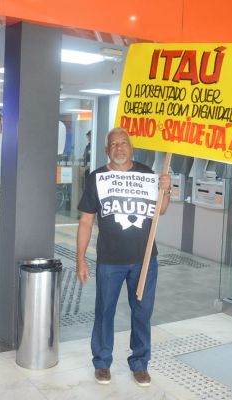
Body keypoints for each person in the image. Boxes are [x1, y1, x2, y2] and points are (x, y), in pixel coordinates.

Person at [76, 127, 171, 387]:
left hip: (145, 259)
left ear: (132, 147)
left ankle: (140, 363)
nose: (119, 148)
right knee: (104, 312)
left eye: (124, 143)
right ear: (107, 150)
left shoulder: (147, 174)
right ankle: (102, 362)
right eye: (114, 144)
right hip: (109, 261)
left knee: (142, 313)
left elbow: (160, 210)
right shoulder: (97, 178)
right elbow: (85, 221)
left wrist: (166, 189)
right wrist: (81, 259)